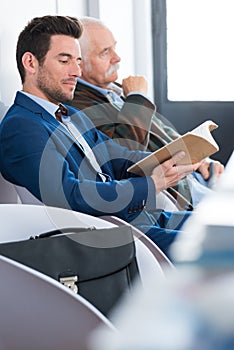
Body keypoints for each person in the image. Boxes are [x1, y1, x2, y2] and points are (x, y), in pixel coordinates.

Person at [0, 15, 199, 257]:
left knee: (220, 222)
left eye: (78, 61)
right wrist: (150, 184)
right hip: (110, 238)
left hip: (136, 218)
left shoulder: (71, 115)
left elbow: (116, 156)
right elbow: (69, 195)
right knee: (221, 243)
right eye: (64, 61)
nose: (76, 71)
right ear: (30, 63)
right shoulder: (21, 127)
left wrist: (170, 157)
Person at [70, 16, 224, 209]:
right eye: (105, 52)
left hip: (195, 179)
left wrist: (200, 157)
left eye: (114, 47)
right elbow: (127, 149)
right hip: (177, 196)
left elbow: (163, 132)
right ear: (79, 63)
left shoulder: (113, 89)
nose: (117, 58)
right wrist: (137, 97)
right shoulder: (78, 103)